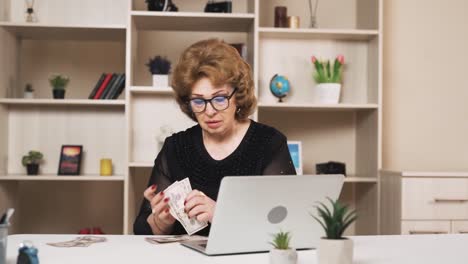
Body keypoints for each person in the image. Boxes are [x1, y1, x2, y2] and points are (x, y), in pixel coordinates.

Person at [133, 38, 296, 236]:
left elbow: (285, 225)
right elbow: (142, 228)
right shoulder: (175, 147)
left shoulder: (269, 143)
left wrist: (220, 214)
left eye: (219, 98)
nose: (209, 111)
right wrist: (160, 223)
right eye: (199, 101)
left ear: (238, 96)